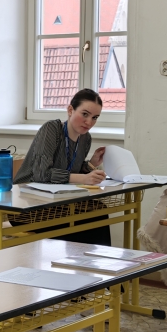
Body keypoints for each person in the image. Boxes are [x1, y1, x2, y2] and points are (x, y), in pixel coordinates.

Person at [12, 88, 112, 246]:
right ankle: (73, 259)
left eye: (95, 117)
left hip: (57, 203)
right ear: (70, 110)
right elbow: (41, 174)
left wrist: (91, 164)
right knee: (80, 222)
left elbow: (71, 172)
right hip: (26, 205)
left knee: (98, 210)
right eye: (84, 114)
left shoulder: (85, 139)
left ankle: (96, 260)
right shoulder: (52, 129)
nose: (89, 122)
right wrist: (83, 178)